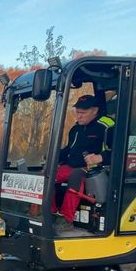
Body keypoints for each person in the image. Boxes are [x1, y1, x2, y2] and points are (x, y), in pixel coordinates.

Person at [53, 95, 114, 228]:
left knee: (76, 176)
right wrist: (53, 159)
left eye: (83, 113)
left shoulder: (107, 126)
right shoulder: (76, 129)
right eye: (77, 112)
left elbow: (119, 151)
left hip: (94, 168)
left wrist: (100, 157)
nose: (79, 116)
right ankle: (49, 212)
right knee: (48, 174)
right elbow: (69, 149)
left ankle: (66, 219)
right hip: (71, 165)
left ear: (95, 110)